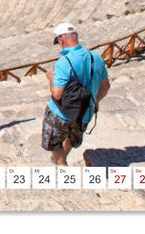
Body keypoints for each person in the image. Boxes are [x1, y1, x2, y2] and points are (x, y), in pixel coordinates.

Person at [42, 22, 110, 165]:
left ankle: (61, 166)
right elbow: (106, 86)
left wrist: (50, 78)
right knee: (72, 138)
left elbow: (57, 94)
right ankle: (63, 157)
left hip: (61, 114)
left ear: (61, 39)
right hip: (85, 112)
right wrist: (95, 101)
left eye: (58, 41)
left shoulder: (63, 62)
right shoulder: (96, 57)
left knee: (54, 143)